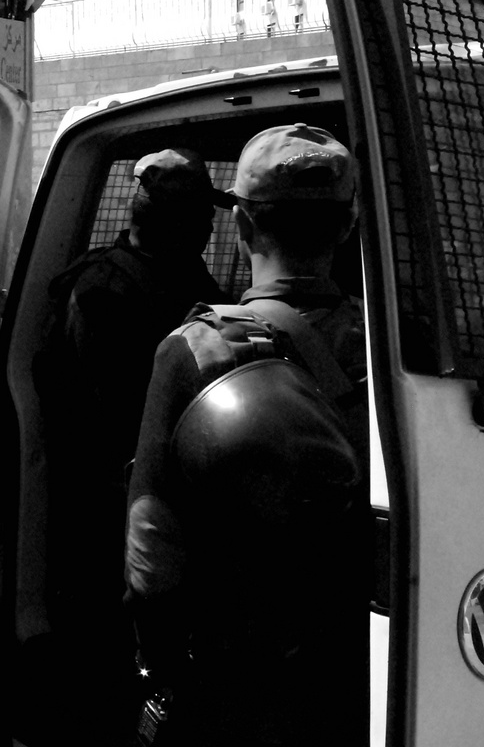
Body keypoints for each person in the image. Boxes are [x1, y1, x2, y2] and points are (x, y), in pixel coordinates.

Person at [124, 124, 369, 746]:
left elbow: (151, 541)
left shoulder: (197, 350)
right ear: (346, 227)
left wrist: (156, 668)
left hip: (235, 680)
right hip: (363, 669)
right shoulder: (402, 353)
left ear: (242, 226)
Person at [31, 148, 232, 744]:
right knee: (109, 684)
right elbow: (113, 423)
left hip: (164, 515)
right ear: (178, 221)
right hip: (109, 522)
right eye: (200, 215)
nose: (210, 228)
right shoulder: (103, 290)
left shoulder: (187, 278)